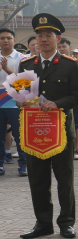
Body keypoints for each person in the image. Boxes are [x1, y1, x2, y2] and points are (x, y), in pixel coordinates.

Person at [19, 14, 78, 239]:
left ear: (58, 38)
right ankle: (43, 223)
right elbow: (22, 92)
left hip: (61, 131)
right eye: (40, 35)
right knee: (37, 178)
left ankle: (66, 222)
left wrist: (57, 104)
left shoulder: (70, 65)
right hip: (34, 131)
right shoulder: (26, 64)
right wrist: (22, 101)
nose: (43, 39)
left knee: (64, 178)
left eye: (48, 35)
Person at [0, 28, 26, 176]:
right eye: (2, 38)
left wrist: (7, 69)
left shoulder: (22, 58)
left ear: (14, 41)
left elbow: (26, 80)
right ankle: (0, 164)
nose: (5, 40)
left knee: (20, 134)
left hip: (15, 101)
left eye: (8, 38)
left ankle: (23, 164)